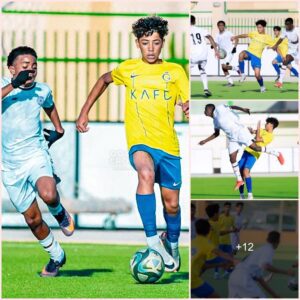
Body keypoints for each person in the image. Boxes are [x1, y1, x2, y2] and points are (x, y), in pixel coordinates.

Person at [76, 16, 189, 272]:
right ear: (138, 43)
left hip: (169, 147)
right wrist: (84, 112)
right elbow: (104, 79)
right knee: (145, 172)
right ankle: (152, 241)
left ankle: (171, 242)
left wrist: (188, 105)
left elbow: (187, 99)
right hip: (140, 143)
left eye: (156, 42)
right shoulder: (128, 69)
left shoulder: (175, 71)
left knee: (172, 205)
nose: (151, 48)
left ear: (163, 44)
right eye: (145, 42)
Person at [1, 46, 74, 277]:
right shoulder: (5, 86)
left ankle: (60, 212)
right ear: (12, 69)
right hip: (9, 165)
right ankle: (57, 256)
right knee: (33, 220)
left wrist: (59, 129)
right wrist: (14, 84)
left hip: (35, 153)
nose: (31, 70)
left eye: (34, 66)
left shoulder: (42, 90)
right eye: (25, 66)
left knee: (49, 194)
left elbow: (49, 105)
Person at [199, 104, 284, 190]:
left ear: (210, 109)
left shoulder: (219, 108)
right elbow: (216, 133)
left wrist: (243, 109)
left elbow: (231, 107)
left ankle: (277, 153)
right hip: (232, 138)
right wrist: (205, 141)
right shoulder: (215, 122)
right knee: (232, 158)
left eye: (205, 109)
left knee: (255, 148)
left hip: (240, 131)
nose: (204, 111)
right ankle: (239, 180)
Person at [228, 231, 295, 298]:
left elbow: (261, 280)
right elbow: (266, 266)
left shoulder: (261, 250)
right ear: (278, 241)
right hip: (244, 278)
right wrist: (286, 272)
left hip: (234, 277)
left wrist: (275, 295)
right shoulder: (269, 249)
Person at [191, 218, 239, 298]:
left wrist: (220, 264)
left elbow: (204, 266)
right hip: (193, 280)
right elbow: (221, 254)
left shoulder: (193, 242)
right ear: (209, 230)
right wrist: (236, 261)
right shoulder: (205, 242)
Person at [239, 117, 279, 200]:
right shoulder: (262, 130)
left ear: (271, 125)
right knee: (240, 173)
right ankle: (242, 195)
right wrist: (250, 130)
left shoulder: (270, 136)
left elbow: (257, 139)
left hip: (254, 153)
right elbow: (253, 132)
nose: (265, 124)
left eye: (267, 123)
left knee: (246, 171)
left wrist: (258, 127)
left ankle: (250, 194)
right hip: (246, 151)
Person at [231, 20, 274, 92]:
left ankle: (262, 86)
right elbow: (245, 35)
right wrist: (236, 36)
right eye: (257, 27)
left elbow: (275, 45)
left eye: (260, 27)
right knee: (241, 54)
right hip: (249, 52)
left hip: (257, 57)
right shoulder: (254, 33)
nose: (258, 29)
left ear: (264, 27)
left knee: (257, 75)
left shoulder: (268, 37)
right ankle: (243, 74)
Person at [190, 15, 219, 97]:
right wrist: (216, 50)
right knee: (202, 70)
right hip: (203, 55)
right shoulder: (201, 30)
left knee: (186, 71)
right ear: (194, 21)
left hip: (193, 55)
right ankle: (206, 88)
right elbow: (210, 37)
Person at [272, 18, 299, 88]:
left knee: (290, 66)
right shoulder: (285, 30)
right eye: (285, 25)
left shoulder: (297, 30)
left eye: (288, 25)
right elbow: (281, 39)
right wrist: (275, 45)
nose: (286, 26)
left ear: (291, 24)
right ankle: (280, 82)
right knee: (285, 62)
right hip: (292, 50)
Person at [215, 20, 239, 86]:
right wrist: (213, 45)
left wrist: (235, 47)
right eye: (219, 25)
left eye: (222, 25)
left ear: (224, 26)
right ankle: (230, 82)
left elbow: (236, 39)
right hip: (222, 53)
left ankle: (237, 68)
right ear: (218, 26)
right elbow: (216, 43)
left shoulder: (228, 33)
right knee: (223, 68)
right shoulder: (217, 35)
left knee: (224, 66)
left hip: (229, 52)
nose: (221, 26)